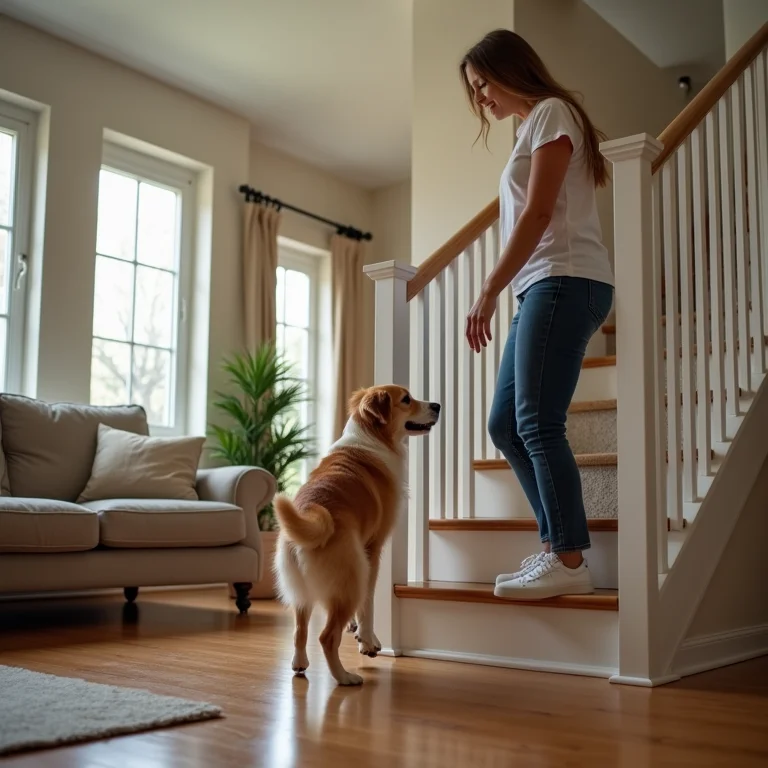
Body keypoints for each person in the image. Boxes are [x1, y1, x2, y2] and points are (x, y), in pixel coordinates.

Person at [460, 29, 614, 600]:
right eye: (474, 92)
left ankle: (569, 560)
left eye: (483, 86)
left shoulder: (552, 112)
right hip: (541, 288)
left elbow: (540, 212)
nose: (481, 99)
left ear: (510, 70)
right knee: (507, 424)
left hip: (566, 279)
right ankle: (555, 545)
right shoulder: (529, 127)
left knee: (538, 423)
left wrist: (487, 289)